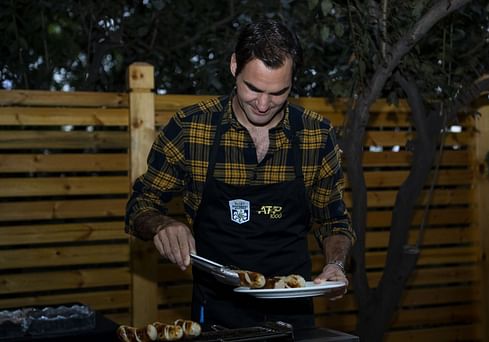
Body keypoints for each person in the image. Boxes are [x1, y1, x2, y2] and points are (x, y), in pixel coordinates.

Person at [125, 18, 355, 330]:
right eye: (253, 88)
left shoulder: (315, 134)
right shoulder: (192, 129)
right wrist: (162, 225)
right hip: (216, 310)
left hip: (293, 309)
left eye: (278, 93)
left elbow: (334, 220)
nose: (263, 104)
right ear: (235, 66)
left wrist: (335, 264)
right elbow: (140, 206)